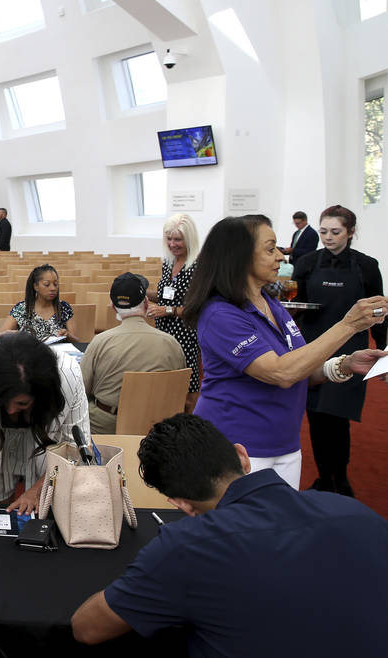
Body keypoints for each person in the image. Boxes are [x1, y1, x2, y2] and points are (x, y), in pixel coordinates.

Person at [71, 414, 388, 656]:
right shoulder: (358, 514)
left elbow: (87, 627)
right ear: (242, 456)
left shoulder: (187, 548)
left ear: (180, 504)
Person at [181, 214, 387, 488]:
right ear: (240, 257)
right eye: (270, 249)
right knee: (243, 529)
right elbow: (281, 372)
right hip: (237, 446)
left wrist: (344, 364)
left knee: (280, 529)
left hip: (284, 444)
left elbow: (299, 366)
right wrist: (349, 325)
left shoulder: (271, 303)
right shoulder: (221, 314)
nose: (280, 256)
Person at [293, 205, 386, 495]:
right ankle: (324, 478)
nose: (328, 237)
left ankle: (340, 477)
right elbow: (296, 307)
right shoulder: (307, 263)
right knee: (317, 419)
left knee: (338, 417)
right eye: (323, 232)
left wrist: (384, 350)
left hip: (351, 352)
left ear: (351, 232)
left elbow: (379, 312)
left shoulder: (367, 266)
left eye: (335, 232)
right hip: (314, 348)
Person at [0, 331, 90, 516]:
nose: (10, 411)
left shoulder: (68, 376)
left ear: (41, 395)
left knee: (45, 514)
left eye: (22, 404)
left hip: (46, 448)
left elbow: (73, 447)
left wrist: (35, 492)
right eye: (2, 402)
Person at [81, 273, 186, 434]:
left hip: (108, 427)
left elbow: (81, 389)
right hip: (159, 427)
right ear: (146, 303)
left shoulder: (100, 342)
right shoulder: (172, 344)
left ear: (113, 306)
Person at [145, 213, 202, 411]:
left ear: (189, 239)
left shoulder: (197, 266)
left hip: (185, 334)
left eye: (177, 239)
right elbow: (167, 296)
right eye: (169, 238)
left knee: (188, 389)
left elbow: (198, 307)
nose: (172, 244)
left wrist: (167, 310)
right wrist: (143, 294)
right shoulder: (169, 263)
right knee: (167, 386)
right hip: (164, 333)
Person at [1, 264, 80, 342]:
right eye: (47, 284)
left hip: (57, 353)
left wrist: (68, 335)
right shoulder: (22, 308)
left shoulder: (63, 307)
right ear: (36, 286)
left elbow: (77, 342)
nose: (53, 288)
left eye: (55, 284)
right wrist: (12, 334)